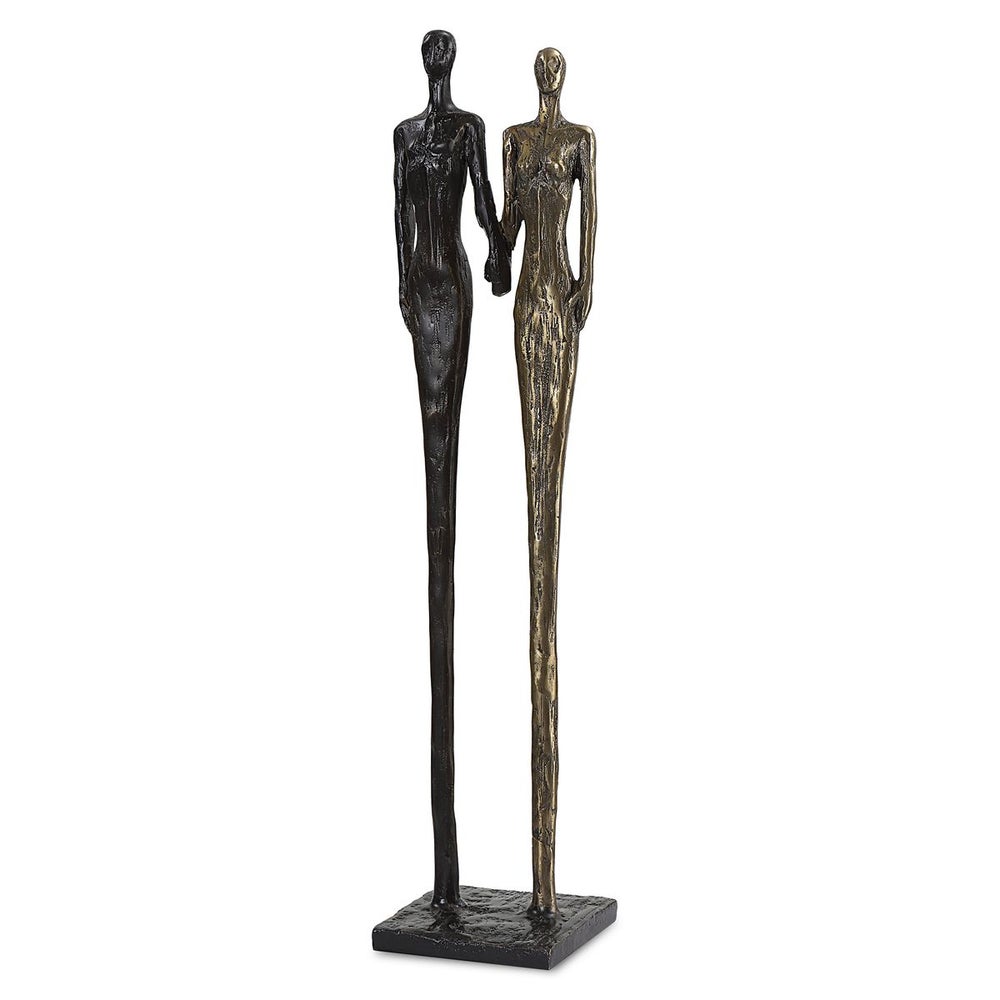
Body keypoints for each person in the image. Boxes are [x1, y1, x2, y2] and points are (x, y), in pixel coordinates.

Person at [393, 29, 510, 909]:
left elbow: (487, 216)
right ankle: (442, 877)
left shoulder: (468, 129)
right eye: (431, 55)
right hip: (424, 291)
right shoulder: (403, 136)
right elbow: (396, 223)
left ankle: (450, 875)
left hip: (456, 290)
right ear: (427, 63)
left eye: (443, 55)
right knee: (435, 468)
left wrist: (508, 248)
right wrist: (404, 292)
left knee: (448, 461)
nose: (438, 64)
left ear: (450, 63)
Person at [500, 46, 597, 919]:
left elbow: (590, 249)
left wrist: (579, 294)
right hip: (526, 307)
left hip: (557, 306)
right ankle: (532, 884)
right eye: (542, 67)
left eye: (554, 67)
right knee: (534, 513)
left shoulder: (576, 144)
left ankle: (546, 885)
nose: (547, 76)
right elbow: (503, 240)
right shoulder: (514, 141)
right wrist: (494, 248)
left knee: (548, 508)